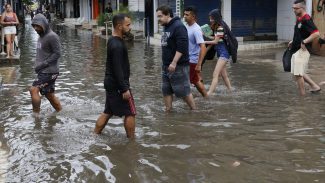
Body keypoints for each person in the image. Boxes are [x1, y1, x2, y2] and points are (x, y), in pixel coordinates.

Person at [94, 14, 136, 139]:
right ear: (119, 26)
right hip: (118, 85)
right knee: (130, 112)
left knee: (108, 111)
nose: (130, 27)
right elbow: (117, 68)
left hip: (111, 83)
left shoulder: (113, 40)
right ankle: (132, 141)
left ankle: (95, 135)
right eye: (128, 25)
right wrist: (124, 88)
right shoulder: (117, 45)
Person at [156, 5, 196, 111]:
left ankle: (194, 110)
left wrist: (174, 62)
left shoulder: (178, 26)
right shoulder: (166, 26)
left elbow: (182, 47)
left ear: (168, 14)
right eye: (157, 17)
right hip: (166, 65)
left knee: (183, 91)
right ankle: (168, 110)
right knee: (166, 90)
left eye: (160, 16)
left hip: (178, 66)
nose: (158, 19)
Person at [29, 14, 62, 115]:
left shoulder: (52, 36)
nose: (35, 28)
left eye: (37, 26)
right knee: (49, 95)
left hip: (49, 71)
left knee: (33, 90)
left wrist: (43, 64)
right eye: (34, 26)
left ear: (44, 24)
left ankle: (36, 116)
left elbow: (57, 53)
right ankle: (61, 112)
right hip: (43, 71)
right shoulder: (41, 36)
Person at [288, 0, 321, 96]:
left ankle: (302, 97)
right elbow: (300, 33)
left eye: (296, 8)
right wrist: (293, 41)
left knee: (298, 74)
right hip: (297, 48)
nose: (294, 10)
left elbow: (316, 33)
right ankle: (315, 86)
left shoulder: (306, 19)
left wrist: (304, 41)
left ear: (302, 8)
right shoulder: (299, 18)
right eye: (293, 8)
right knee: (297, 72)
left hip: (303, 50)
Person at [205, 9, 232, 96]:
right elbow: (215, 38)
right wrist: (206, 36)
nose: (210, 20)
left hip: (224, 54)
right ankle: (231, 90)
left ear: (216, 18)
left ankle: (209, 93)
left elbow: (215, 42)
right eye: (210, 18)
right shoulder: (217, 27)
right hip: (221, 54)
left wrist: (203, 42)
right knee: (224, 75)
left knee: (215, 74)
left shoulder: (220, 28)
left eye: (212, 18)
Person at [183, 6, 207, 97]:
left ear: (193, 16)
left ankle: (190, 102)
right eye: (184, 14)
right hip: (186, 59)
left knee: (186, 82)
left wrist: (199, 64)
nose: (184, 16)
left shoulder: (196, 29)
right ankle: (207, 97)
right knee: (196, 81)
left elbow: (203, 47)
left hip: (192, 60)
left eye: (187, 15)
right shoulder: (186, 26)